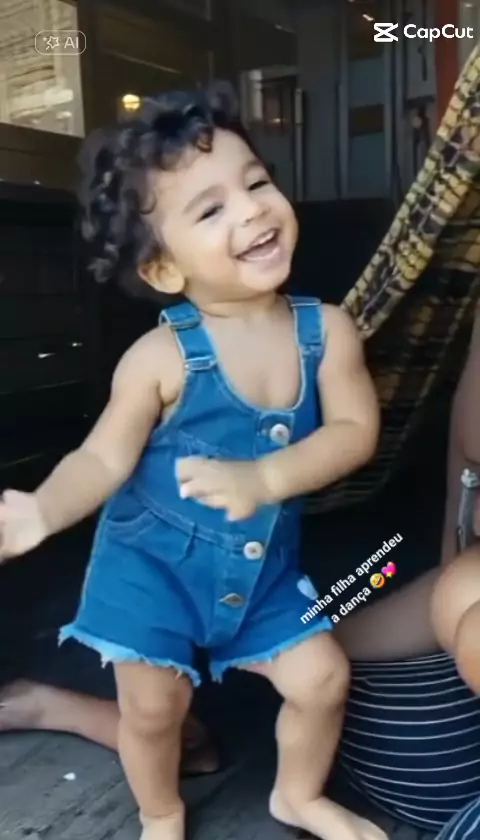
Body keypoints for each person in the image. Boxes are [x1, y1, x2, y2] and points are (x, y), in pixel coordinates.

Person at [0, 83, 384, 840]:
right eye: (210, 211)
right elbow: (102, 458)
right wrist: (43, 510)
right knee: (153, 710)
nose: (252, 211)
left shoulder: (329, 332)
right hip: (150, 572)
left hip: (262, 572)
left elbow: (355, 431)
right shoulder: (160, 358)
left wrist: (266, 478)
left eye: (257, 184)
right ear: (165, 271)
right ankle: (161, 813)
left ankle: (296, 794)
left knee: (322, 677)